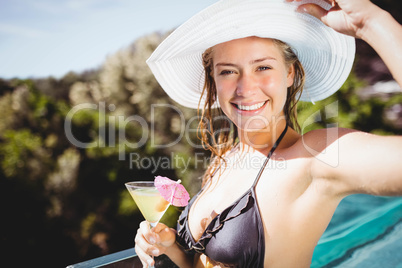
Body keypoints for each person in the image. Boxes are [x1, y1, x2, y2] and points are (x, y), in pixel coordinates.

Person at [134, 0, 402, 267]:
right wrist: (169, 248)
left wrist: (373, 23)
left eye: (262, 67)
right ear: (214, 83)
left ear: (289, 73)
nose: (245, 88)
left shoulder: (314, 158)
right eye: (227, 71)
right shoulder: (223, 161)